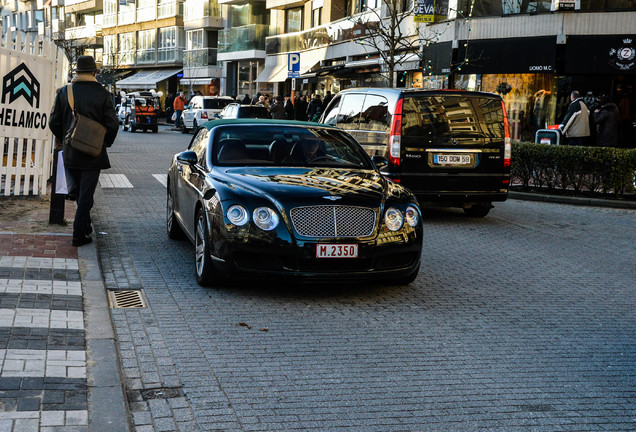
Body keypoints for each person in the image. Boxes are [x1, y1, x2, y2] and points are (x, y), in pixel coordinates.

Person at [49, 55, 119, 247]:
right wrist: (104, 142)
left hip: (71, 152)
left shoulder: (65, 92)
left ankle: (85, 228)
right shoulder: (103, 94)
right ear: (94, 73)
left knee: (81, 194)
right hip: (93, 154)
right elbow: (113, 124)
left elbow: (53, 122)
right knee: (86, 195)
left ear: (77, 72)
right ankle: (79, 235)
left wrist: (66, 139)